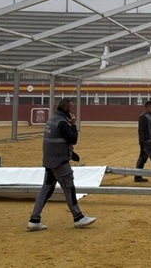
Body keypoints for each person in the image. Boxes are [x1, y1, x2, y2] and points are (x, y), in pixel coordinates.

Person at [27, 99, 96, 231]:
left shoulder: (52, 120)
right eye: (71, 108)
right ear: (66, 109)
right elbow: (73, 139)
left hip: (49, 160)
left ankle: (34, 220)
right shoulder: (63, 123)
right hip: (59, 163)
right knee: (69, 188)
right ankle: (78, 217)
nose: (73, 110)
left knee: (46, 189)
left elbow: (56, 141)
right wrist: (73, 125)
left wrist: (72, 154)